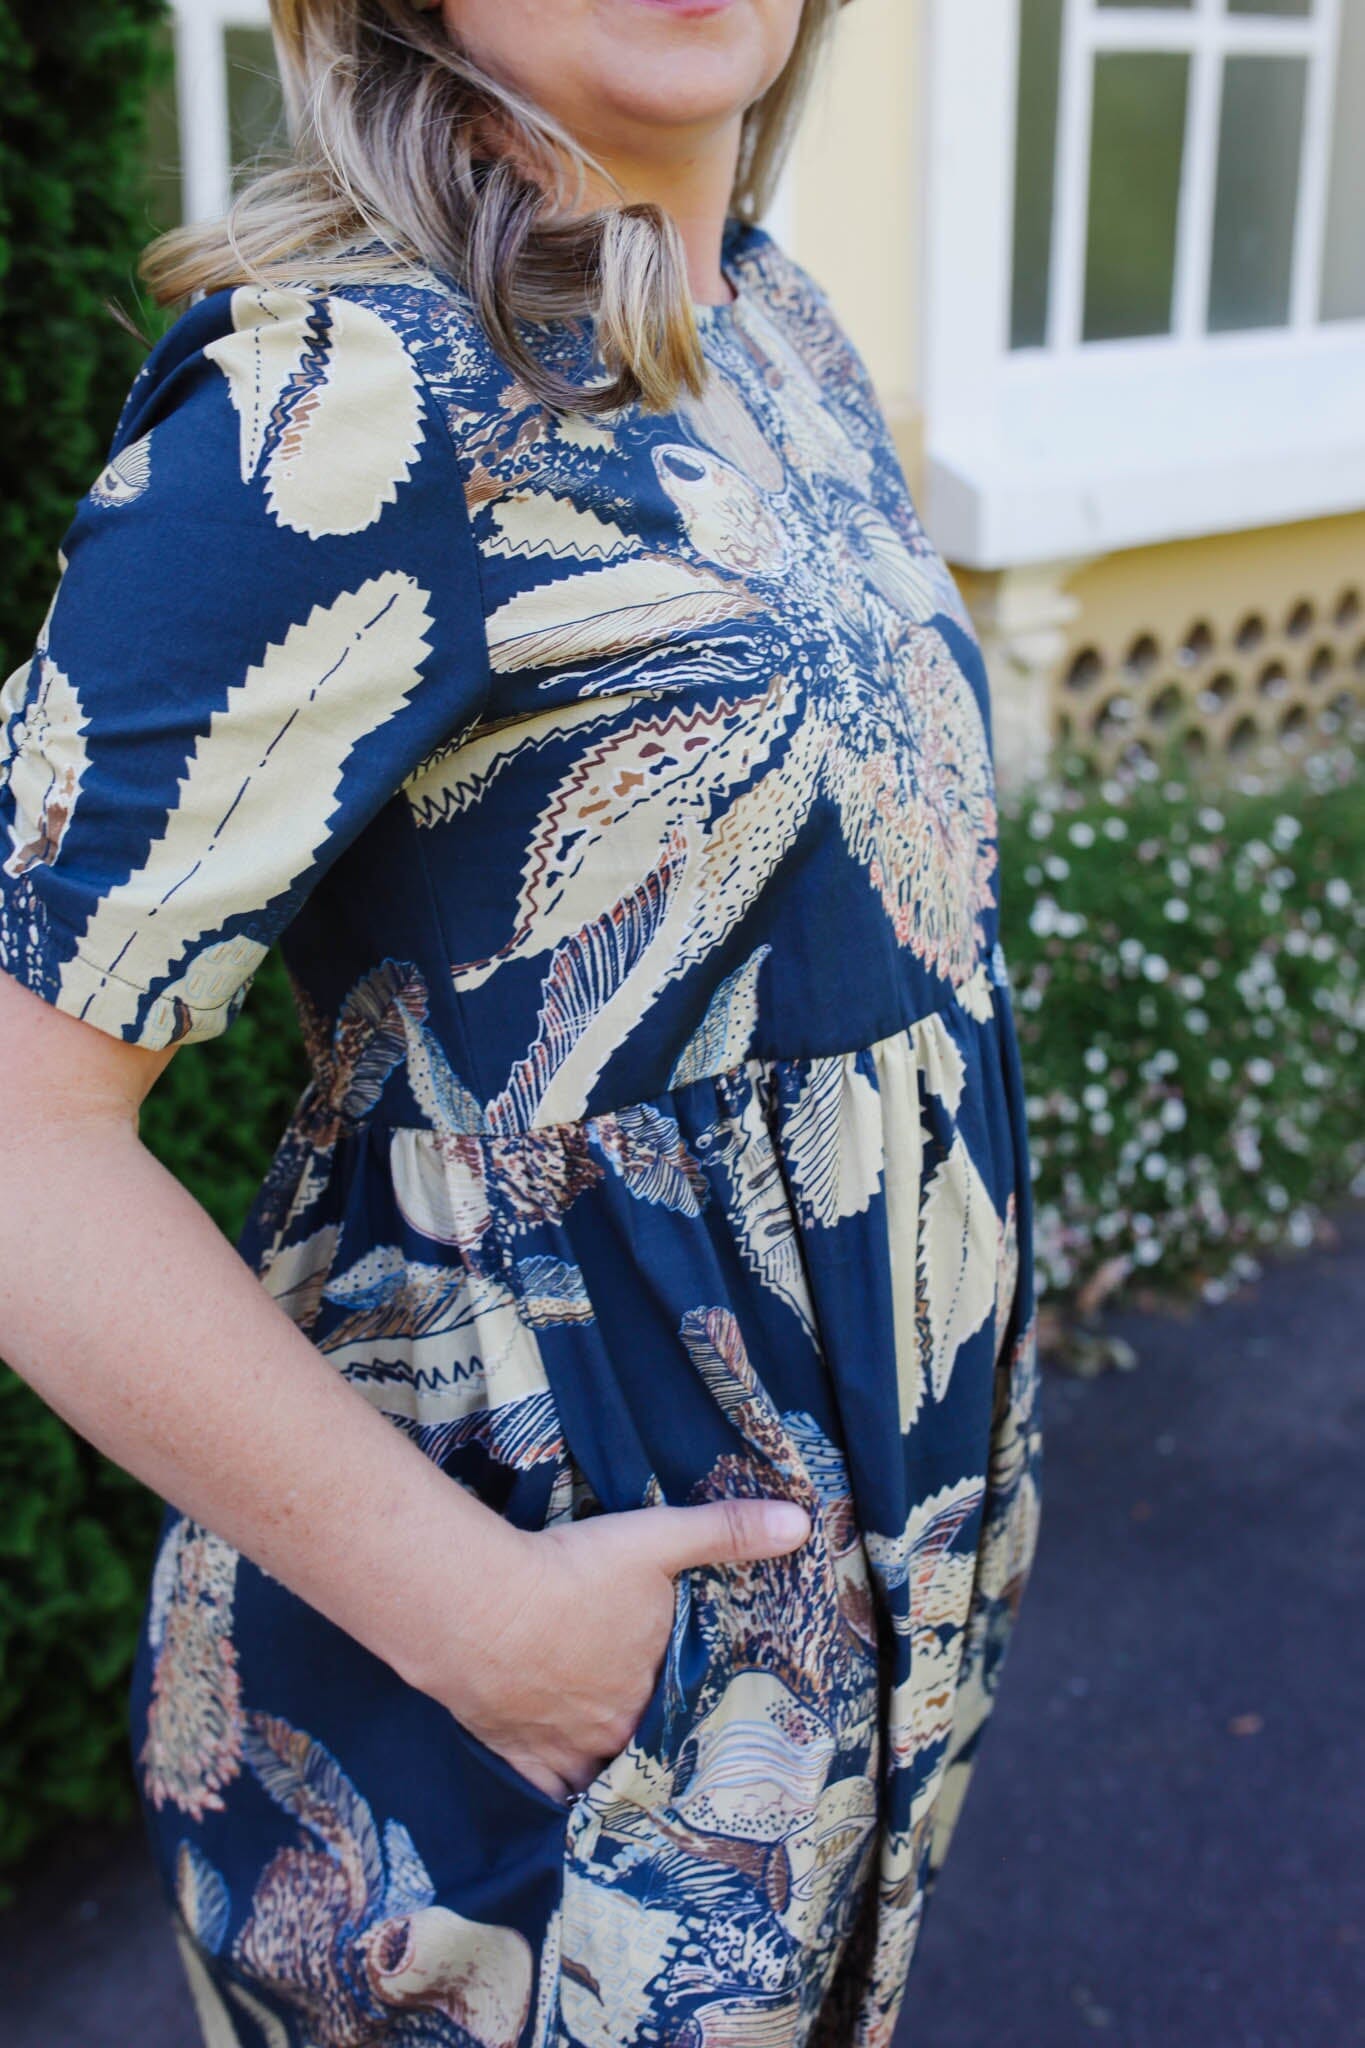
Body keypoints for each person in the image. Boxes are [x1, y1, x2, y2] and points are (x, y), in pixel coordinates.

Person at [0, 0, 1043, 2041]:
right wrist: (489, 1627)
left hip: (857, 1647)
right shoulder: (336, 402)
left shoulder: (766, 323)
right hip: (531, 1726)